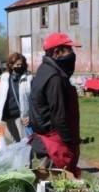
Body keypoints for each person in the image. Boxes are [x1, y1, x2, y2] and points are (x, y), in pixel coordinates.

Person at [29, 32, 83, 177]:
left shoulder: (44, 69)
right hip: (54, 146)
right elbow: (59, 115)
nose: (72, 54)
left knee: (44, 191)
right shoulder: (54, 77)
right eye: (69, 50)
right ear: (57, 52)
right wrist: (69, 143)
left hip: (44, 141)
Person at [0, 52, 33, 143]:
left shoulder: (29, 78)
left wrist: (31, 116)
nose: (20, 66)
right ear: (11, 65)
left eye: (22, 64)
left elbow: (34, 99)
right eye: (17, 64)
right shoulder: (4, 78)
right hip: (7, 116)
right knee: (12, 142)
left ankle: (25, 157)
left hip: (21, 117)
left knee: (25, 142)